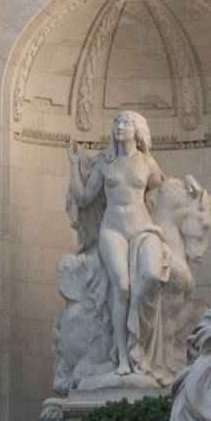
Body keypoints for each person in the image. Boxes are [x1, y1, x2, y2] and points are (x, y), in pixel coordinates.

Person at [67, 111, 164, 375]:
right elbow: (85, 198)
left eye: (126, 123)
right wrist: (74, 165)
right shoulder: (105, 163)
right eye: (117, 123)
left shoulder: (148, 163)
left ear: (138, 131)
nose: (119, 127)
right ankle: (122, 356)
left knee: (149, 280)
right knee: (122, 288)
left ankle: (140, 350)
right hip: (112, 232)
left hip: (142, 230)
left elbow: (159, 193)